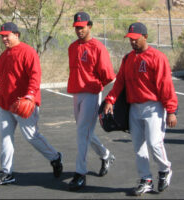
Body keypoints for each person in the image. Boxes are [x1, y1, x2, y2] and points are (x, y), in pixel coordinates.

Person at [104, 22, 178, 196]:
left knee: (154, 143)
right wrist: (110, 99)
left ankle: (165, 169)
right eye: (130, 39)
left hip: (154, 107)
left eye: (136, 39)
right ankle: (146, 179)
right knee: (138, 147)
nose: (133, 42)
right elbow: (120, 82)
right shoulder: (128, 58)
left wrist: (171, 110)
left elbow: (165, 85)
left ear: (145, 37)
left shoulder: (157, 57)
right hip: (134, 108)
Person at [0, 22, 63, 186]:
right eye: (2, 36)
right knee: (5, 138)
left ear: (17, 35)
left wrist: (30, 96)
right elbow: (3, 81)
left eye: (7, 36)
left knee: (31, 136)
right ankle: (7, 172)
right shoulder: (3, 56)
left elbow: (35, 76)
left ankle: (55, 157)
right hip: (5, 104)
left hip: (24, 103)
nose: (4, 39)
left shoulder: (28, 52)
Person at [67, 12, 116, 191]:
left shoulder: (98, 47)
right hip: (76, 93)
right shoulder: (72, 47)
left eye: (82, 26)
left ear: (90, 26)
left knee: (82, 132)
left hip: (91, 94)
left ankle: (80, 173)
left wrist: (96, 87)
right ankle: (105, 154)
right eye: (77, 27)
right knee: (85, 132)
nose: (79, 30)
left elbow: (109, 75)